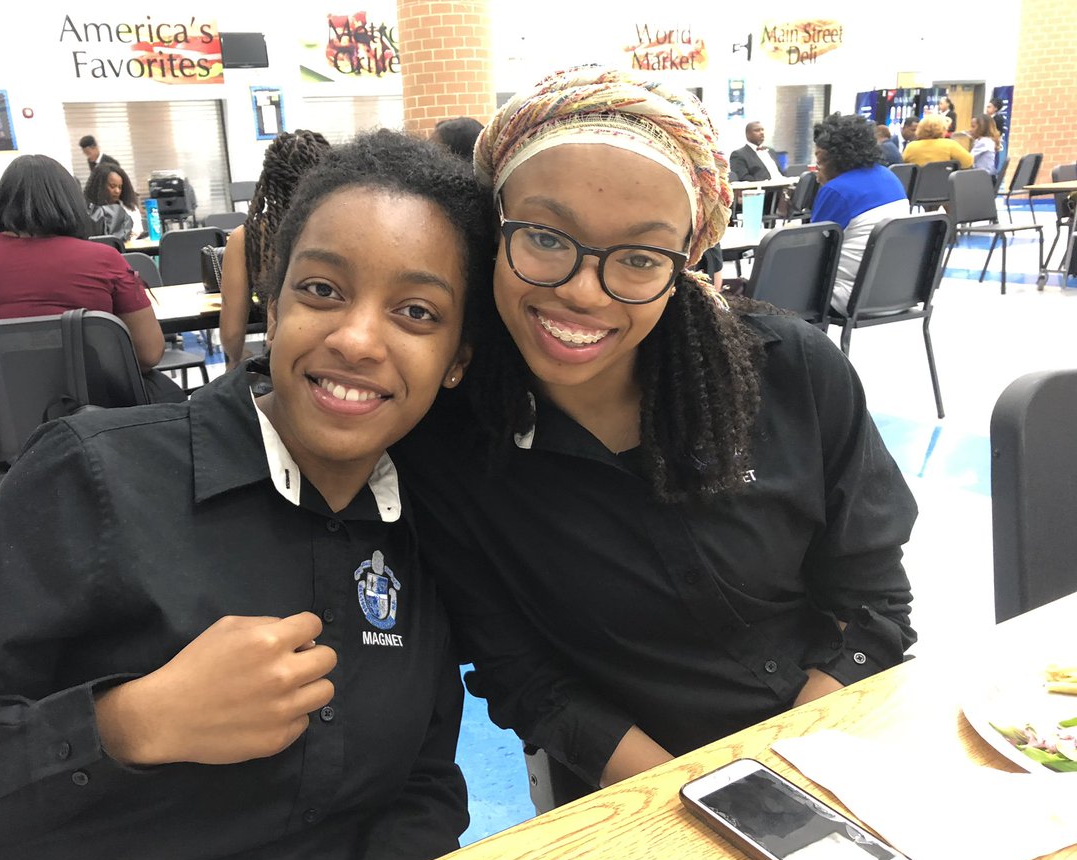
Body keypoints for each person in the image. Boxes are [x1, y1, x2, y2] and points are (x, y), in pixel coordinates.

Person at [0, 130, 495, 860]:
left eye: (416, 311)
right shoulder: (95, 477)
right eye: (322, 290)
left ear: (458, 358)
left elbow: (423, 781)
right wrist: (127, 725)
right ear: (275, 302)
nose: (357, 339)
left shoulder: (429, 526)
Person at [393, 65, 917, 801]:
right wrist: (712, 796)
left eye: (640, 258)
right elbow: (526, 676)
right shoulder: (449, 444)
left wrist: (789, 775)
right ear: (494, 227)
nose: (582, 291)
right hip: (637, 793)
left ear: (684, 263)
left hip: (833, 741)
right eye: (544, 237)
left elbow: (872, 607)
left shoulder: (792, 372)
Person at [0, 154, 181, 402]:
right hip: (97, 413)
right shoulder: (103, 258)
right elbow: (149, 353)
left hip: (1, 414)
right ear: (72, 202)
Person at [220, 130, 332, 371]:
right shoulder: (344, 232)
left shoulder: (247, 239)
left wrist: (237, 362)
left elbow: (232, 335)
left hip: (280, 360)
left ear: (267, 178)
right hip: (337, 353)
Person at [810, 114, 911, 313]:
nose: (817, 168)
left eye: (820, 160)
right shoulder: (889, 176)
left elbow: (813, 253)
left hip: (849, 297)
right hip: (899, 293)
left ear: (835, 158)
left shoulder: (838, 190)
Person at [84, 161, 144, 241]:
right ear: (99, 186)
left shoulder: (129, 209)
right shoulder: (89, 211)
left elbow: (136, 234)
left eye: (120, 187)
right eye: (112, 186)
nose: (117, 191)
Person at [901, 114, 973, 168]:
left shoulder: (911, 147)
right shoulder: (949, 144)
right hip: (944, 182)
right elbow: (968, 162)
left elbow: (902, 165)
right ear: (942, 129)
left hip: (918, 183)